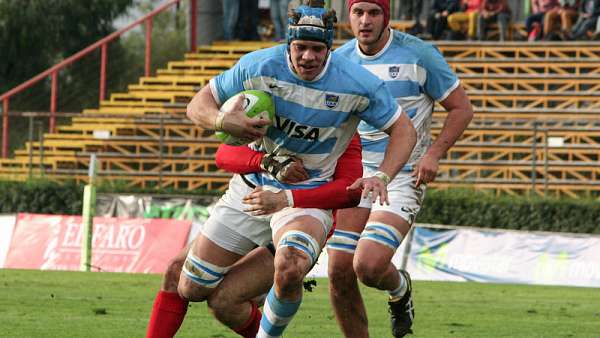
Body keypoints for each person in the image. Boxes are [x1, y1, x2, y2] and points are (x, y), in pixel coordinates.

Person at [179, 1, 417, 338]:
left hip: (308, 196)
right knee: (191, 287)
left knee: (290, 266)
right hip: (250, 192)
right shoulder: (258, 66)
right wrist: (221, 118)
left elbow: (404, 129)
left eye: (317, 49)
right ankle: (264, 275)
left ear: (330, 49)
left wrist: (382, 175)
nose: (308, 56)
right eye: (300, 47)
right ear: (288, 44)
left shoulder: (356, 84)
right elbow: (197, 105)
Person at [328, 1, 474, 337]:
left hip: (404, 173)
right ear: (348, 16)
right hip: (356, 173)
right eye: (358, 12)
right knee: (338, 271)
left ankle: (399, 289)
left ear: (387, 16)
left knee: (368, 265)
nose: (365, 21)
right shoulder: (339, 61)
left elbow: (461, 109)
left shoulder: (419, 55)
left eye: (374, 13)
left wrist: (434, 153)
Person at [145, 134, 364, 338]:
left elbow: (348, 190)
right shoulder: (271, 103)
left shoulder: (341, 116)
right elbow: (224, 154)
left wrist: (285, 198)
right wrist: (266, 161)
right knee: (178, 274)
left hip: (299, 214)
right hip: (248, 201)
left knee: (225, 301)